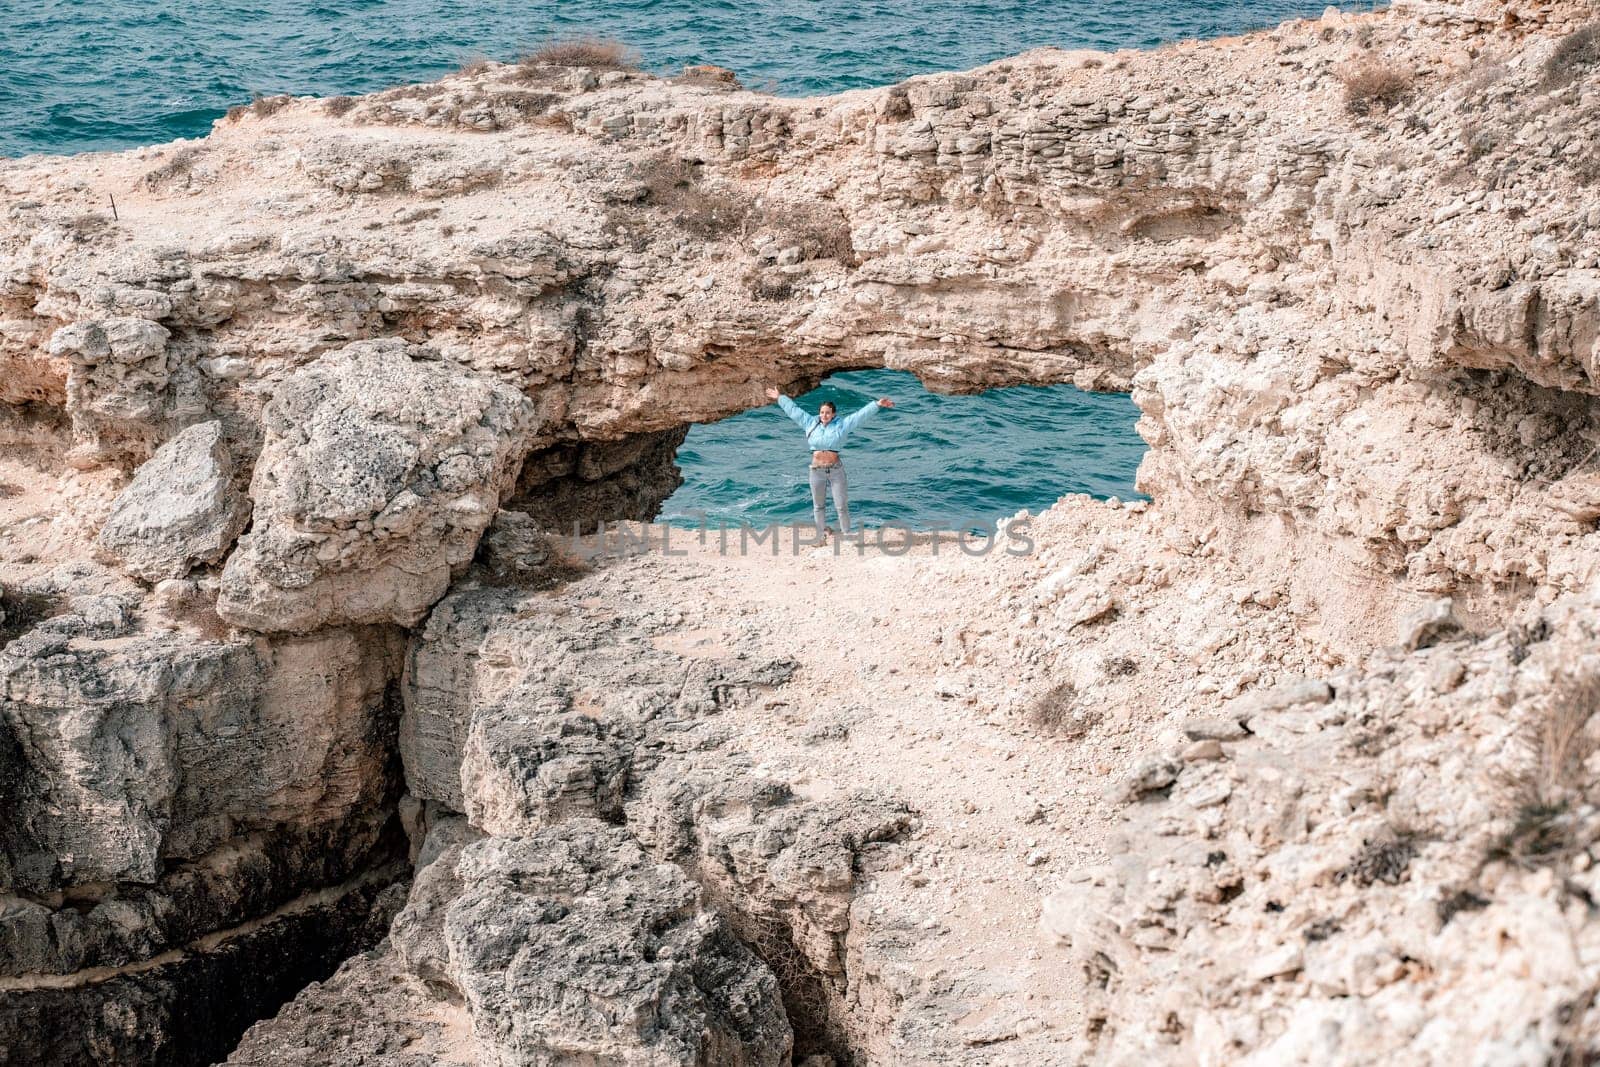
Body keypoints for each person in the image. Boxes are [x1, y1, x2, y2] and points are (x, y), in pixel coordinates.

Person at [765, 385, 894, 539]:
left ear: (833, 414)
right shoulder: (810, 423)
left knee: (841, 506)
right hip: (816, 471)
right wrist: (780, 397)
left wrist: (877, 404)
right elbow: (794, 411)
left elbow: (859, 416)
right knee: (818, 506)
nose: (824, 415)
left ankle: (846, 533)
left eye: (827, 413)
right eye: (821, 412)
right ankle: (821, 535)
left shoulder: (842, 426)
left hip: (836, 471)